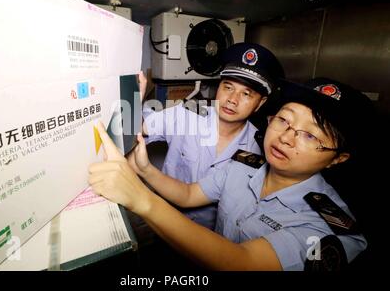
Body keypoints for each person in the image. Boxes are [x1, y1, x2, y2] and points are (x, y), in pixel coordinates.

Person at [88, 77, 371, 270]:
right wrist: (145, 170)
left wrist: (140, 198)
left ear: (339, 158)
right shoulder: (244, 165)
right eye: (284, 120)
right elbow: (188, 195)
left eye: (310, 135)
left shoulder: (330, 230)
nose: (286, 137)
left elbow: (238, 262)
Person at [140, 42, 285, 229]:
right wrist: (135, 95)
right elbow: (139, 128)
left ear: (260, 103)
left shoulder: (260, 148)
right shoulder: (187, 114)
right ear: (219, 88)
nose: (232, 100)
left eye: (246, 94)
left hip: (211, 238)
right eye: (228, 87)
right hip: (164, 222)